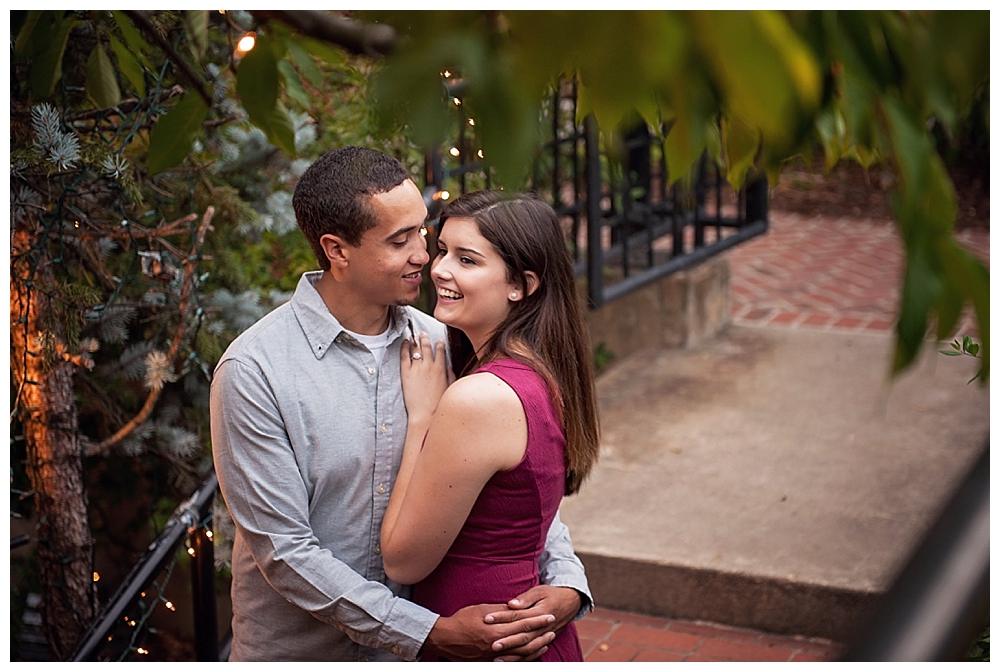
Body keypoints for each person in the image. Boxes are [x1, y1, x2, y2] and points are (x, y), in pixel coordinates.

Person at [210, 146, 592, 662]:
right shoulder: (256, 373)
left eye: (422, 232)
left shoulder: (445, 339)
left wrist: (568, 581)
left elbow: (508, 490)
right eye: (400, 240)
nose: (424, 257)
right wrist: (426, 631)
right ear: (336, 250)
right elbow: (285, 552)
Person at [379, 190, 602, 661]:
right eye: (442, 250)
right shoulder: (544, 368)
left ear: (520, 284)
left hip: (485, 639)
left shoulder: (479, 397)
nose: (439, 269)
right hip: (525, 625)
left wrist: (423, 416)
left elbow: (404, 561)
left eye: (467, 259)